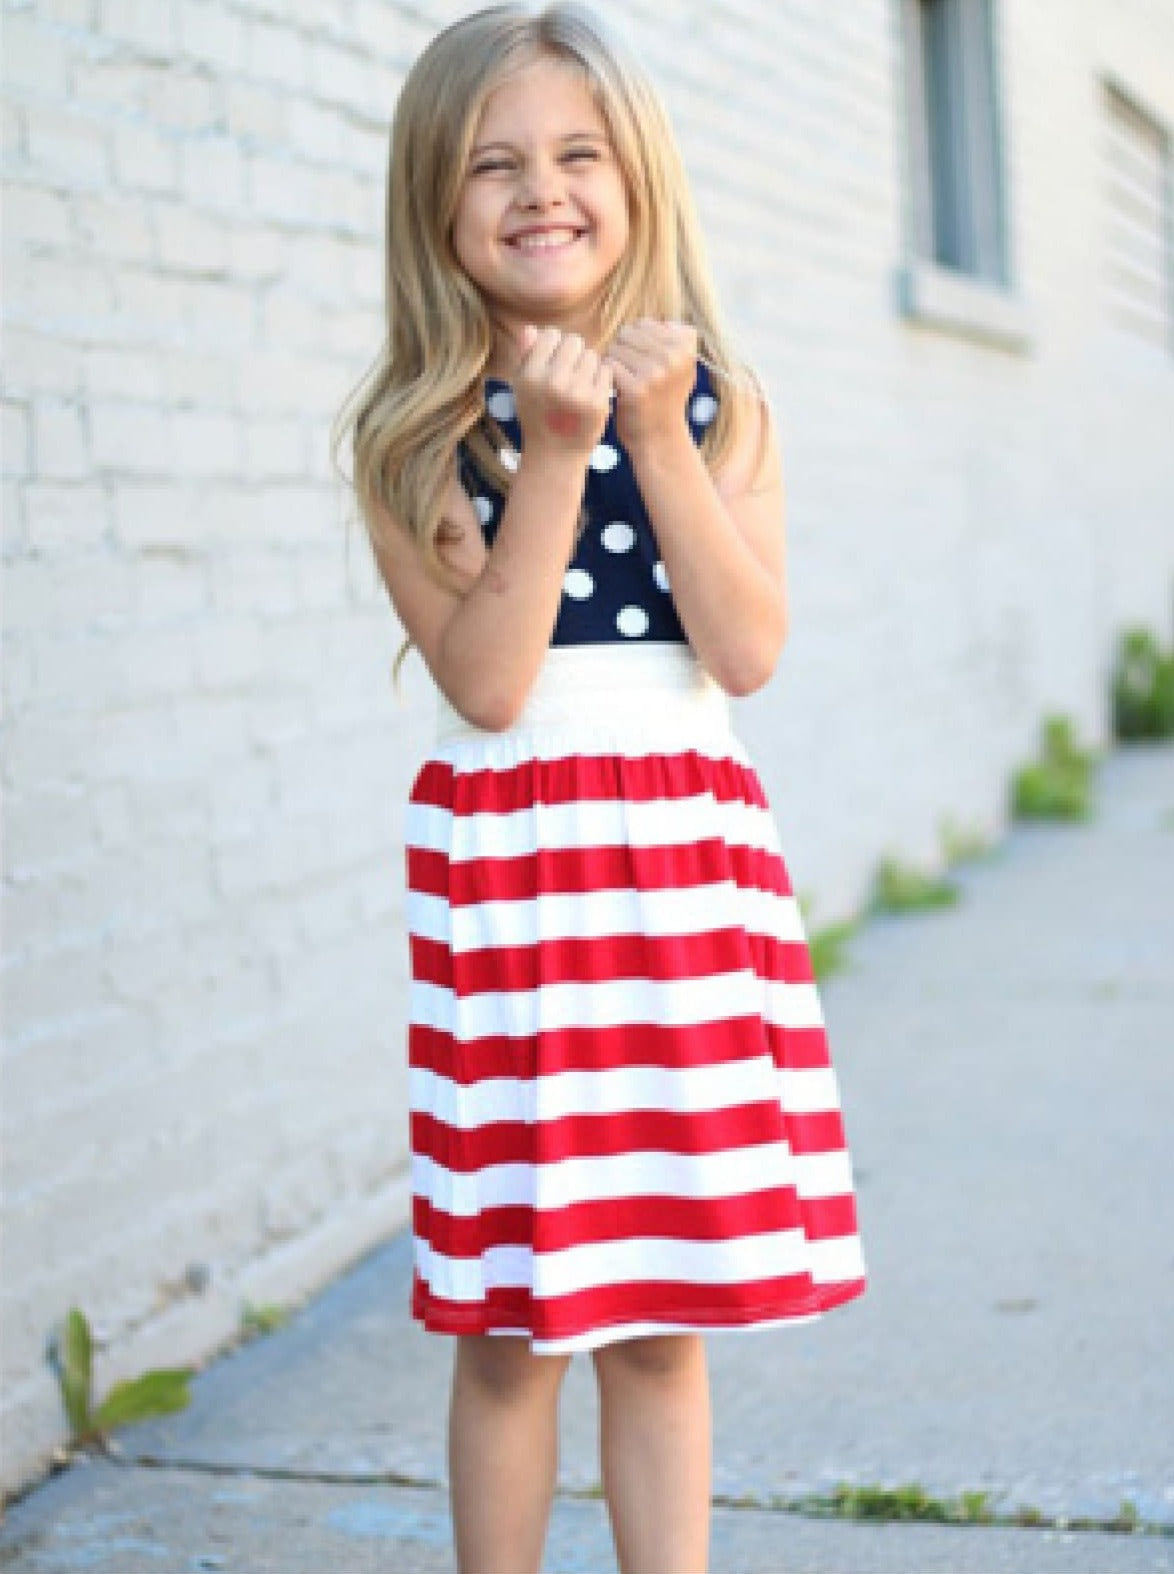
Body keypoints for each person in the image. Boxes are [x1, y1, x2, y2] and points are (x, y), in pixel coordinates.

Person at [334, 6, 866, 1570]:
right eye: (491, 163)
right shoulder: (417, 437)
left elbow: (747, 646)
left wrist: (650, 430)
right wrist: (561, 450)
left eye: (576, 155)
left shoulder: (721, 405)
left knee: (658, 1309)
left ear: (638, 181)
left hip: (681, 875)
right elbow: (488, 684)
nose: (539, 189)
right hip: (519, 884)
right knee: (512, 1318)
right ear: (437, 205)